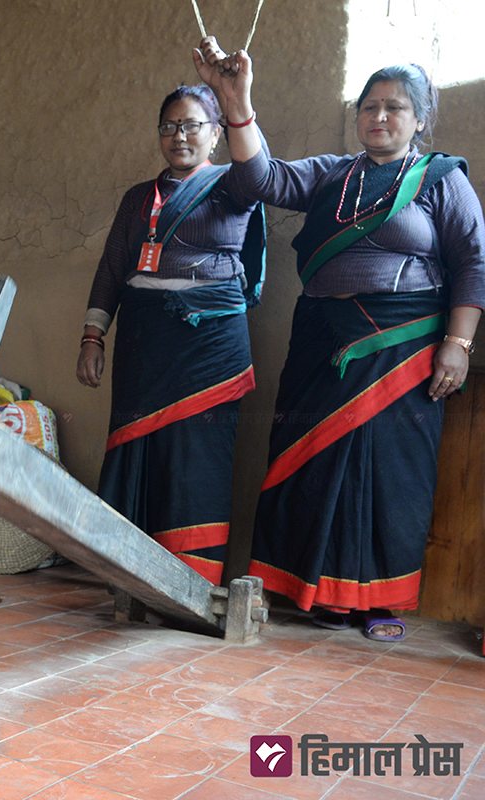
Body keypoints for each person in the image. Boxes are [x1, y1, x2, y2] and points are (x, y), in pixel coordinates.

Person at [195, 38, 485, 641]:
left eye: (395, 108)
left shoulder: (441, 180)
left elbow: (472, 263)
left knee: (388, 472)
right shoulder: (333, 174)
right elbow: (260, 178)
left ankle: (377, 603)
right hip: (321, 344)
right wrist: (236, 102)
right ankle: (312, 586)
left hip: (403, 350)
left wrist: (458, 344)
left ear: (421, 119)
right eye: (369, 106)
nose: (379, 117)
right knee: (314, 463)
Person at [77, 84, 266, 584]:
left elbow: (258, 169)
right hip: (143, 343)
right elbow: (112, 268)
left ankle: (189, 583)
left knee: (195, 457)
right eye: (169, 126)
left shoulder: (235, 184)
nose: (179, 136)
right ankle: (130, 576)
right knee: (137, 448)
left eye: (191, 126)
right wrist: (93, 337)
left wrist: (235, 95)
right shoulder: (139, 198)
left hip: (210, 346)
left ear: (216, 134)